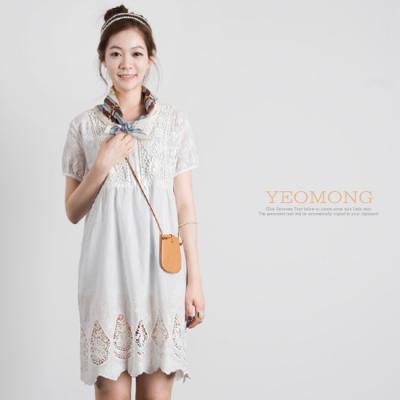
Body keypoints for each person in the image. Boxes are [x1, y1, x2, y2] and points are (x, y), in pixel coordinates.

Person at [61, 5, 205, 399]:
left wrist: (194, 280)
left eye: (136, 53)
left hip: (161, 277)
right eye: (116, 54)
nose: (127, 64)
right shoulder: (83, 126)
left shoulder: (174, 123)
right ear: (103, 60)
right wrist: (102, 164)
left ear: (150, 58)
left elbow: (186, 207)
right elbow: (72, 211)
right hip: (106, 277)